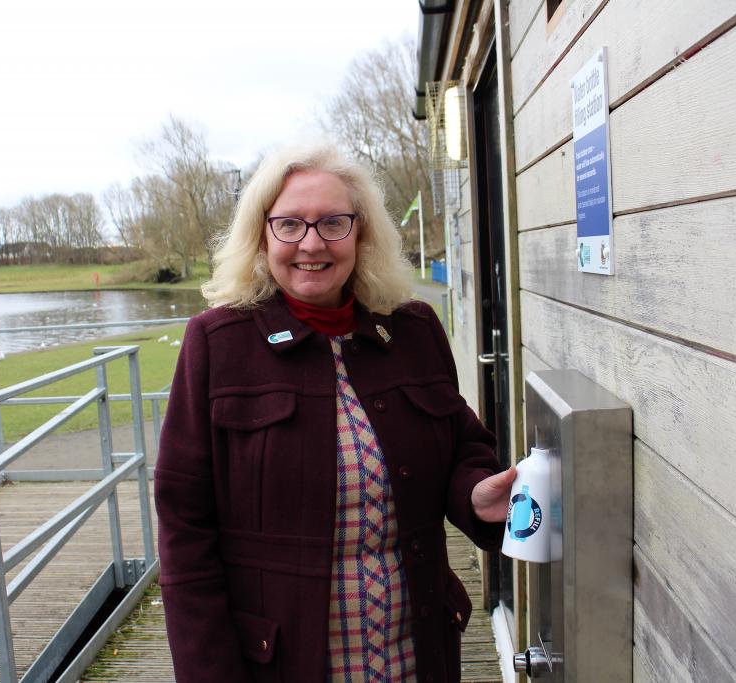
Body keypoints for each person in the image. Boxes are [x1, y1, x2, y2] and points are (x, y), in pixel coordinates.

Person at [154, 142, 517, 683]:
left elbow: (462, 445)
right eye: (290, 225)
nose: (311, 243)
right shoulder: (216, 344)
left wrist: (473, 494)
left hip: (416, 656)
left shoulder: (413, 330)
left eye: (333, 223)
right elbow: (185, 529)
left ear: (361, 234)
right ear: (262, 234)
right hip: (281, 664)